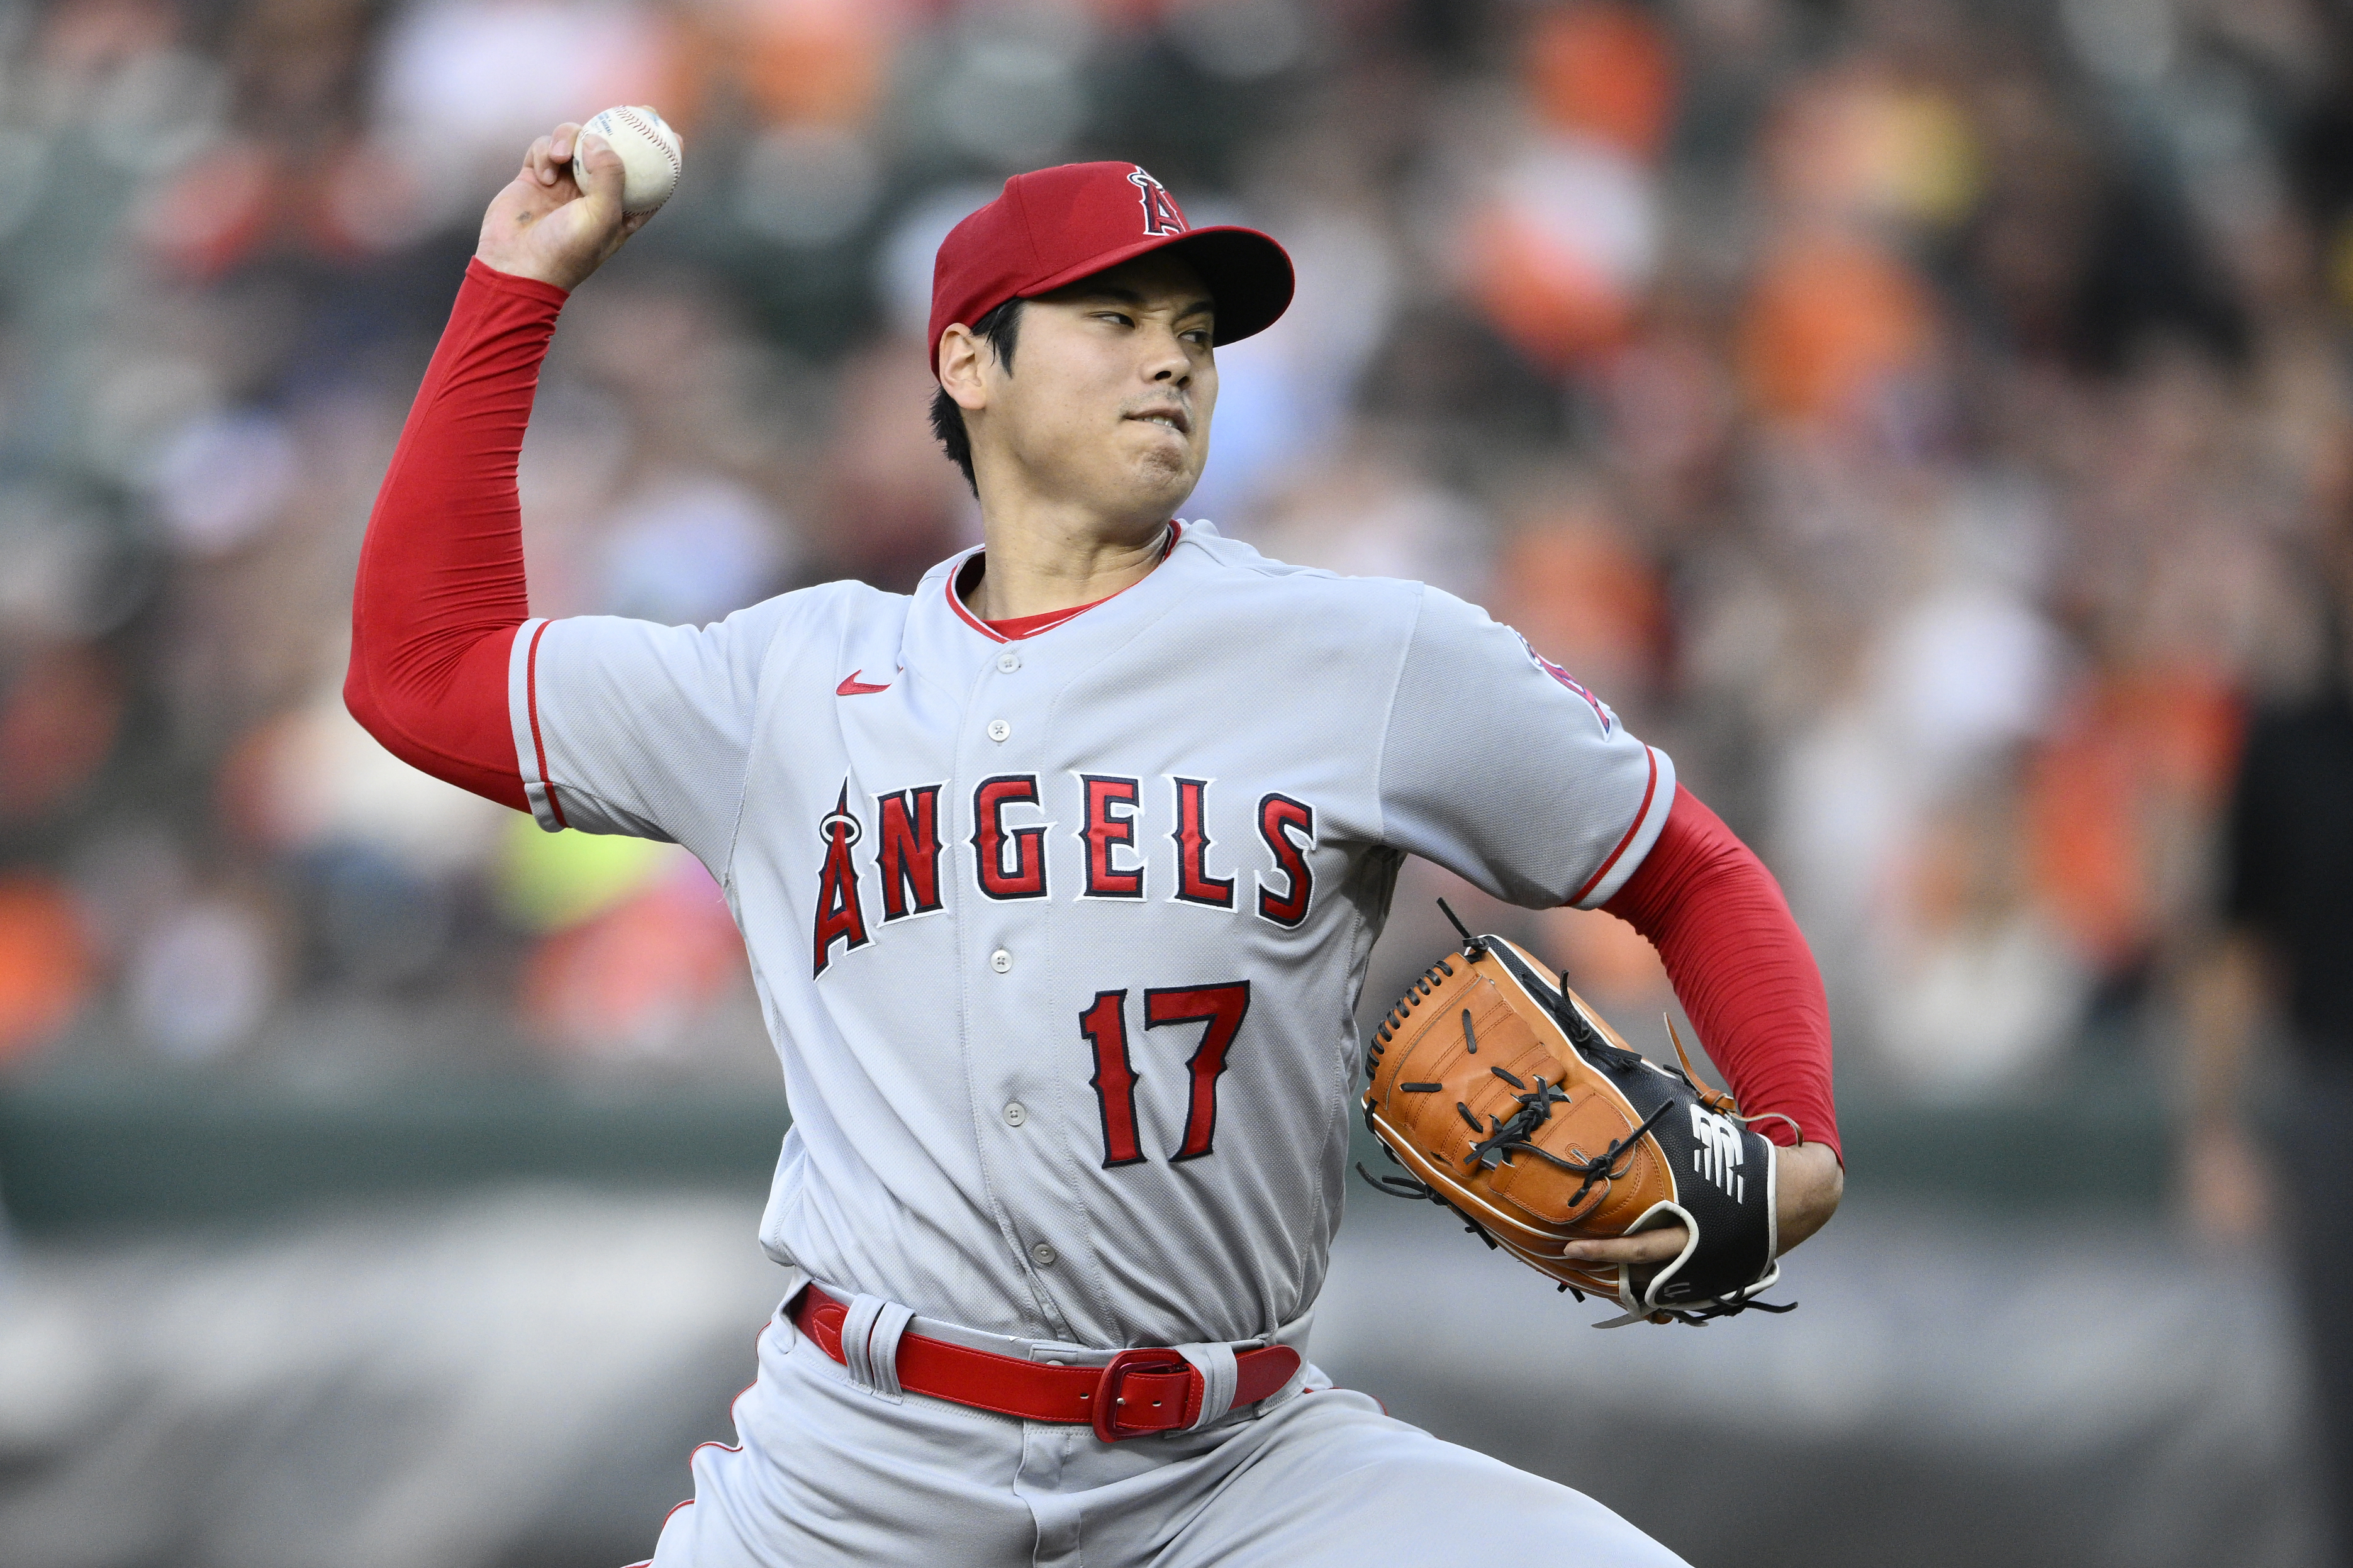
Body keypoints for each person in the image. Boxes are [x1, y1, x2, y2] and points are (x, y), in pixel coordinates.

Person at [347, 124, 1844, 1568]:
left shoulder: (1366, 654)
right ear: (965, 362)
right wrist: (514, 285)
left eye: (1194, 326)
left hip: (1236, 1466)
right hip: (862, 1469)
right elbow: (418, 670)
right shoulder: (786, 682)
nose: (1173, 355)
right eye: (1113, 315)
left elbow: (1687, 869)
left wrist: (1795, 1137)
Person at [2183, 522, 2353, 1564]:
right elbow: (2231, 949)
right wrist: (2214, 1128)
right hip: (2333, 1095)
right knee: (2339, 1390)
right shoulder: (2283, 743)